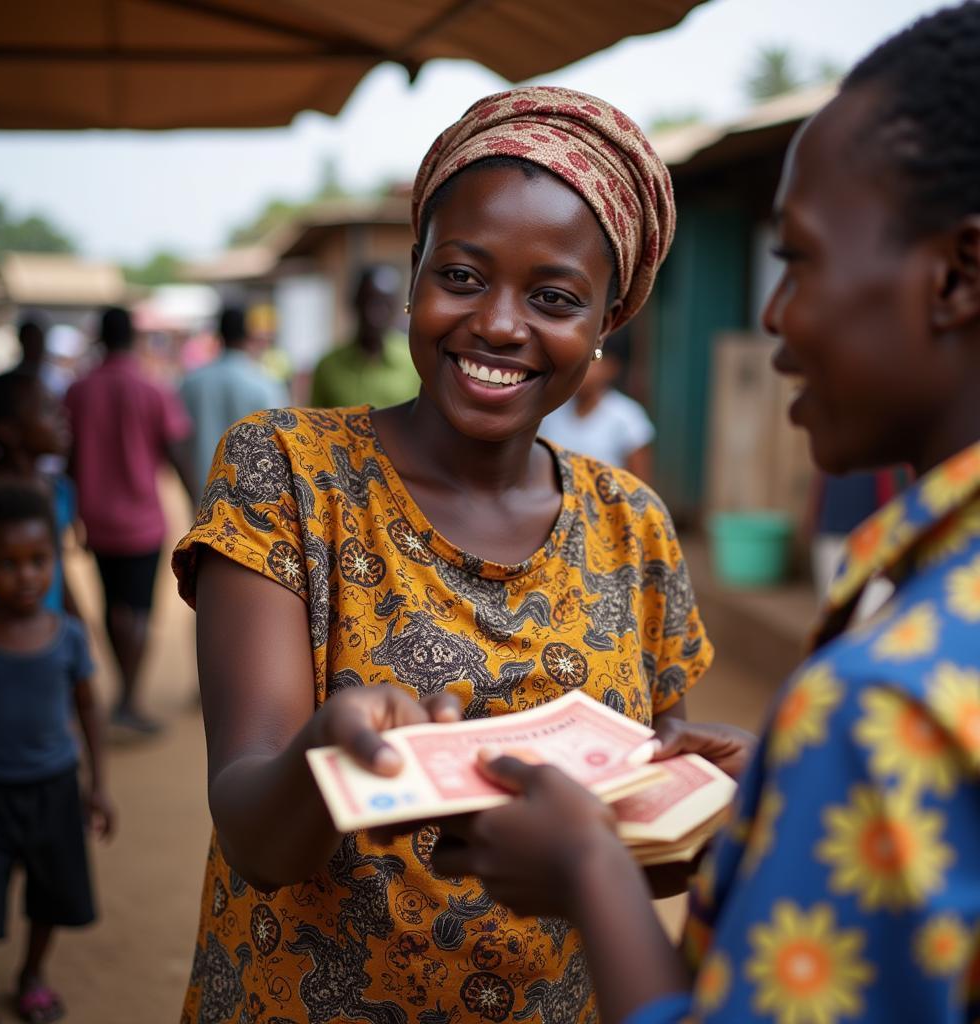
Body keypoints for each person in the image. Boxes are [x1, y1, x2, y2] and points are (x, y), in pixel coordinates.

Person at [423, 6, 980, 1022]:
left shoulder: (875, 703)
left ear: (955, 274)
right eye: (460, 275)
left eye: (797, 261)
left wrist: (593, 865)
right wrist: (774, 805)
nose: (770, 317)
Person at [172, 87, 713, 1024]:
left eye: (553, 298)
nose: (499, 324)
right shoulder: (289, 474)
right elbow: (257, 836)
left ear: (609, 320)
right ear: (415, 269)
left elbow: (648, 847)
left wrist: (714, 807)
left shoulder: (634, 526)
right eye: (462, 276)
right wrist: (323, 749)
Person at [0, 484, 113, 1024]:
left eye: (37, 561)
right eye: (7, 563)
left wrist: (100, 786)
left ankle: (31, 976)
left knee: (51, 894)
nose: (25, 575)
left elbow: (90, 710)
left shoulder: (69, 637)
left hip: (55, 788)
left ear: (55, 558)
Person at [65, 306, 194, 734]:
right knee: (138, 610)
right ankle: (128, 698)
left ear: (100, 338)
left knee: (110, 605)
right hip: (142, 521)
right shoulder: (151, 388)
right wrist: (200, 500)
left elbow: (66, 457)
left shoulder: (78, 390)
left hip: (97, 518)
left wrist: (72, 514)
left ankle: (123, 692)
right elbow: (175, 449)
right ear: (133, 338)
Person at [0, 370, 78, 616]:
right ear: (9, 431)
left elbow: (57, 568)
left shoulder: (60, 490)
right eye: (48, 410)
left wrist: (77, 625)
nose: (63, 417)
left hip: (46, 631)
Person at [178, 305, 289, 488]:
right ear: (248, 335)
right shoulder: (266, 384)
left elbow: (180, 441)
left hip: (203, 487)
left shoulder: (191, 382)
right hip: (253, 492)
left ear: (219, 335)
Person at [540, 328, 655, 477]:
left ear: (612, 367)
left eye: (593, 360)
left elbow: (640, 483)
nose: (583, 368)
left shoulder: (628, 417)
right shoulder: (550, 411)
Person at [309, 264, 421, 408]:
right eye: (368, 302)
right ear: (354, 303)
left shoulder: (415, 363)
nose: (375, 314)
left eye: (385, 304)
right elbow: (314, 425)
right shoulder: (327, 367)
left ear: (397, 307)